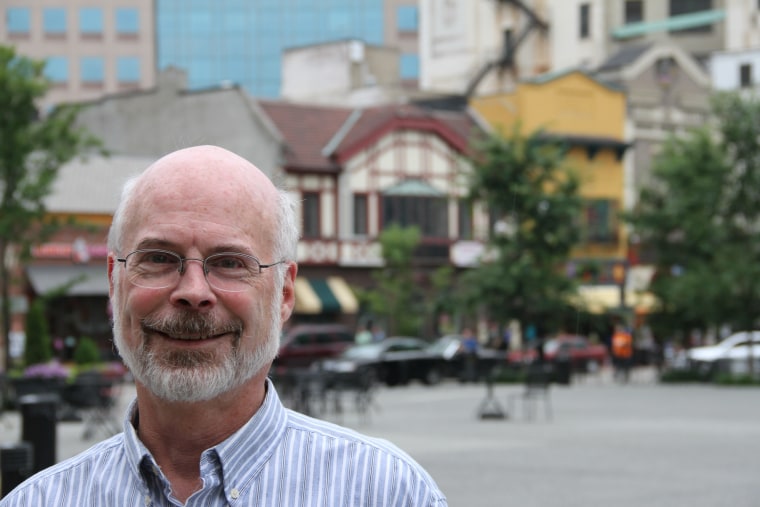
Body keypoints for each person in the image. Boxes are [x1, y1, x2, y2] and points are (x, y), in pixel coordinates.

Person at [0, 146, 447, 506]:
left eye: (230, 262)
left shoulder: (385, 492)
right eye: (158, 258)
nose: (193, 291)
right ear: (115, 282)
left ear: (285, 293)